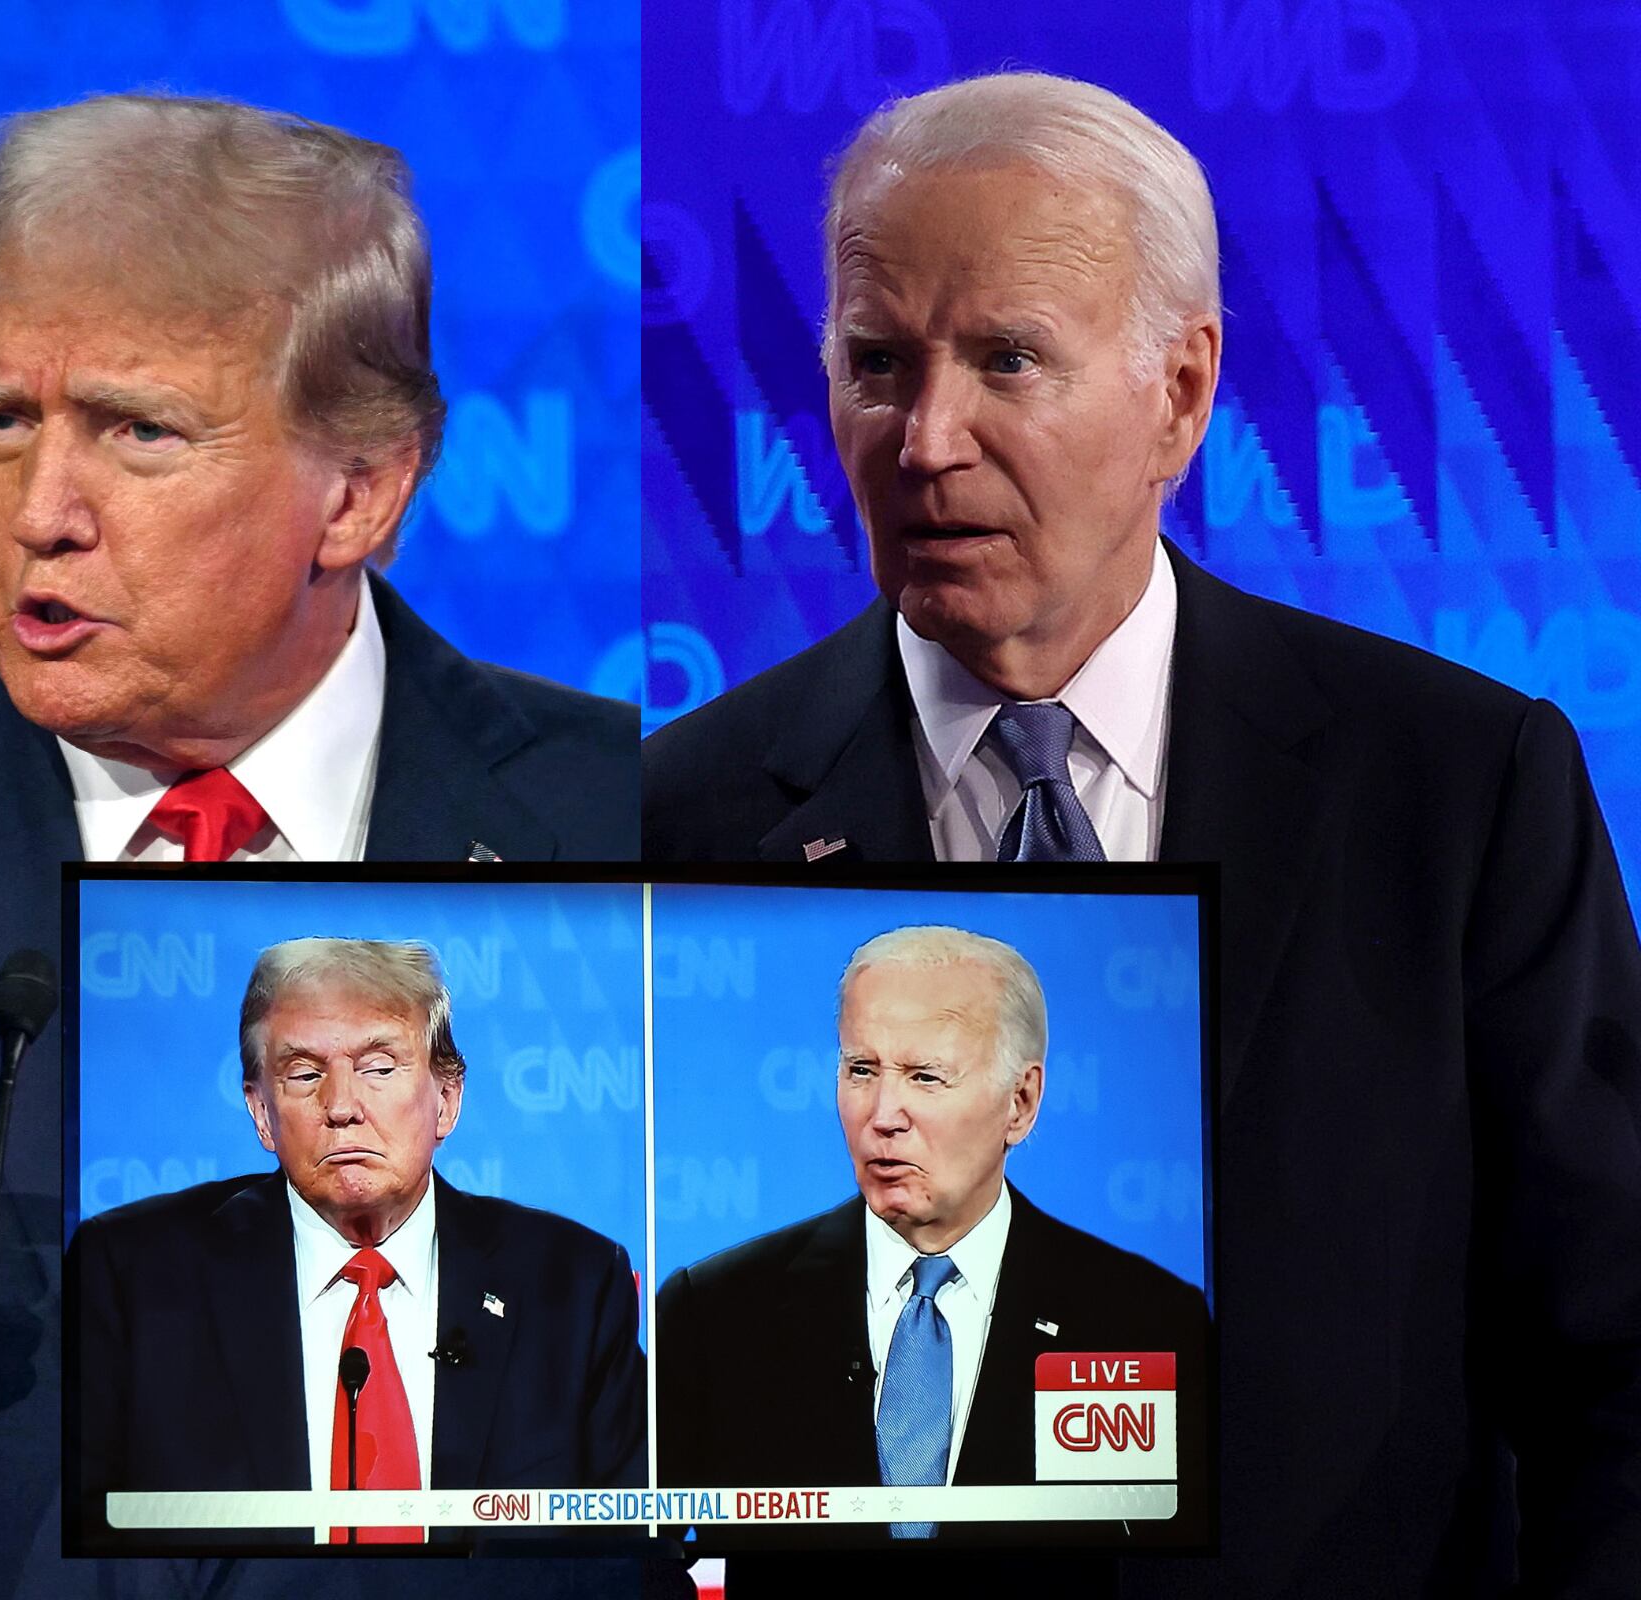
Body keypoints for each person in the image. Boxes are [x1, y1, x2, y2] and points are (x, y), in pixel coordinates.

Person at [642, 71, 1641, 1596]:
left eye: (1009, 360)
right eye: (876, 363)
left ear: (1180, 390)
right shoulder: (676, 811)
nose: (924, 440)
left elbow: (1610, 1359)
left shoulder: (1460, 787)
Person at [0, 93, 639, 1600]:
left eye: (139, 431)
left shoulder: (630, 813)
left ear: (358, 491)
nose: (43, 512)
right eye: (2, 424)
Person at [70, 938, 646, 1548]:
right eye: (305, 1073)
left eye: (378, 1067)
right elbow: (81, 1540)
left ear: (446, 1099)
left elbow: (638, 1558)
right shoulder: (131, 1276)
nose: (341, 1106)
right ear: (261, 1111)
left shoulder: (574, 1284)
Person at [656, 927, 1210, 1548]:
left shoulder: (1144, 1320)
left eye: (925, 1077)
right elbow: (644, 1564)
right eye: (861, 1069)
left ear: (1020, 1103)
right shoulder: (713, 1312)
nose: (883, 1115)